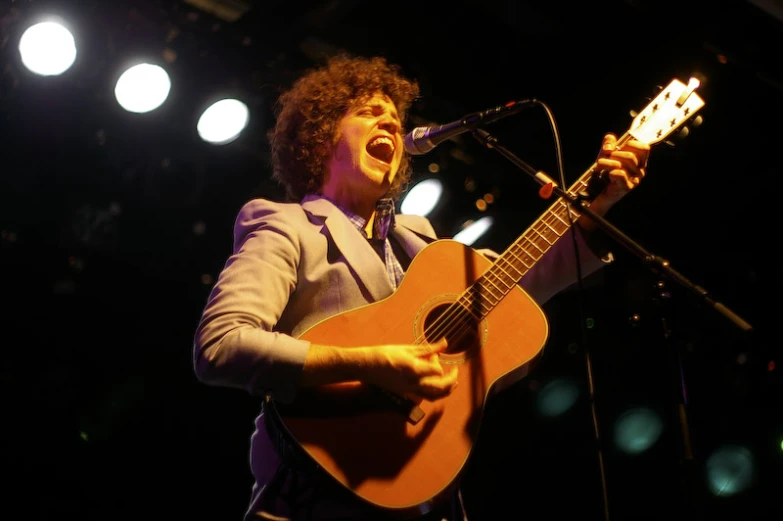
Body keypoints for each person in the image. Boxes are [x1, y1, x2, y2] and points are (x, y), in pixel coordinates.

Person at [192, 53, 650, 521]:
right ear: (321, 135)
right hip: (314, 501)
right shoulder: (285, 225)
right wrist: (370, 364)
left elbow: (523, 283)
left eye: (395, 118)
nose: (390, 125)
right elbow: (221, 346)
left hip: (426, 500)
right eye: (370, 113)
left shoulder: (423, 240)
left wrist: (599, 200)